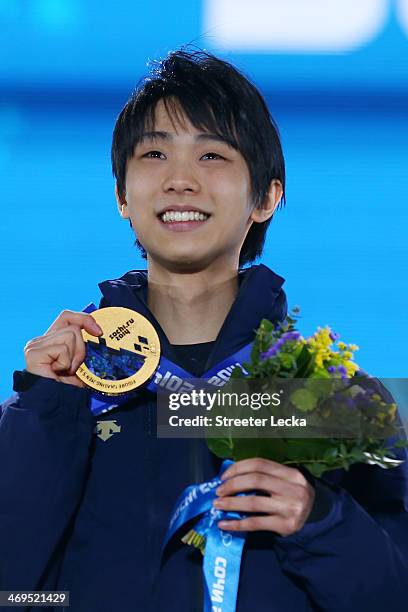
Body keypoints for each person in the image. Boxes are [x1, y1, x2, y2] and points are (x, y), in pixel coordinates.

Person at [0, 49, 407, 612]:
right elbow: (13, 589)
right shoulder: (69, 391)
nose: (180, 180)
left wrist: (321, 522)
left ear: (266, 197)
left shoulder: (336, 400)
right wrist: (43, 412)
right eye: (154, 153)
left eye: (213, 154)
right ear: (122, 195)